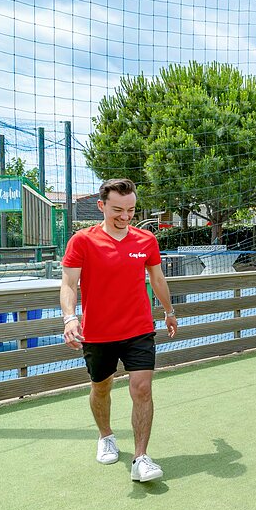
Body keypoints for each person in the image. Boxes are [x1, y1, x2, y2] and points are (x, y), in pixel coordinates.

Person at [61, 178, 178, 484]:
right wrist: (69, 318)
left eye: (131, 210)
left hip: (139, 328)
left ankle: (141, 458)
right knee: (101, 387)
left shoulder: (146, 240)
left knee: (142, 388)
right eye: (118, 210)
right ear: (101, 206)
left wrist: (169, 311)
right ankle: (106, 435)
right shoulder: (82, 241)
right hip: (97, 333)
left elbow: (157, 278)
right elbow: (68, 283)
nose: (126, 216)